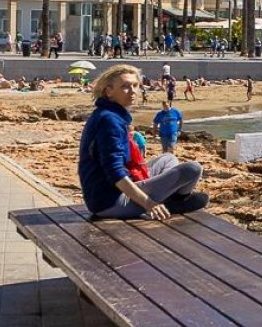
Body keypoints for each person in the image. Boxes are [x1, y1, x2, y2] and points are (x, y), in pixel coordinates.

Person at [79, 64, 208, 220]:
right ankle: (174, 204)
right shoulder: (109, 120)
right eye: (125, 87)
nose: (133, 91)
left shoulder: (109, 114)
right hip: (111, 202)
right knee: (192, 169)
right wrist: (149, 204)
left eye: (135, 85)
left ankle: (172, 198)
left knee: (168, 158)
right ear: (108, 91)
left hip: (109, 194)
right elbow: (115, 173)